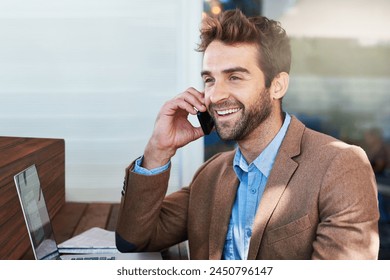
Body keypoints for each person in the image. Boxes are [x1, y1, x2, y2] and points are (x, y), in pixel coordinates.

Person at [115, 9, 379, 260]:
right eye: (209, 80)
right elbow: (133, 239)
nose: (215, 95)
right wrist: (158, 149)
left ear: (277, 86)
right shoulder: (210, 175)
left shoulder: (341, 165)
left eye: (235, 78)